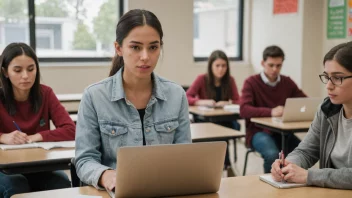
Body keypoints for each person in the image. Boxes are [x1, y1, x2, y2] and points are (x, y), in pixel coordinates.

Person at [75, 9, 192, 190]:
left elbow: (185, 155)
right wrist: (105, 175)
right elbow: (84, 159)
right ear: (119, 48)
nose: (145, 56)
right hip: (117, 192)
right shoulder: (94, 96)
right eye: (135, 47)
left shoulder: (177, 95)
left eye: (153, 47)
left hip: (164, 189)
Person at [271, 42, 352, 189]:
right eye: (327, 77)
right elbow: (306, 151)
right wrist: (288, 165)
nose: (328, 85)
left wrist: (310, 176)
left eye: (337, 78)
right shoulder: (327, 109)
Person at [0, 43, 75, 198]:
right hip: (4, 168)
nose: (26, 76)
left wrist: (37, 136)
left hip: (38, 165)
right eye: (17, 70)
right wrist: (3, 137)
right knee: (16, 184)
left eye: (31, 69)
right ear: (5, 72)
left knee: (60, 182)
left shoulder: (45, 93)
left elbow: (70, 129)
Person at [240, 45, 306, 173]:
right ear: (262, 63)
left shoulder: (287, 82)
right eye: (271, 65)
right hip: (257, 132)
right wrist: (270, 112)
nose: (275, 69)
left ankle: (294, 183)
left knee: (303, 153)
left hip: (283, 131)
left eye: (278, 65)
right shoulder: (251, 82)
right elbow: (244, 110)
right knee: (272, 155)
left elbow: (304, 101)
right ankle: (270, 189)